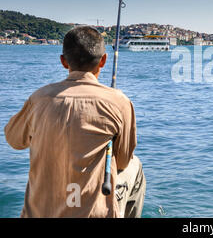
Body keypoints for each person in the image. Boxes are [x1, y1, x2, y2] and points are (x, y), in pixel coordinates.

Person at [4, 26, 146, 218]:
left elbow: (14, 140)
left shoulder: (39, 98)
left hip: (39, 213)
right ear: (103, 61)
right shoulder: (119, 102)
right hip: (92, 213)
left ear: (64, 61)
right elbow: (122, 161)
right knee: (135, 166)